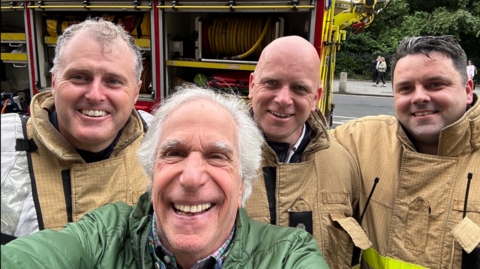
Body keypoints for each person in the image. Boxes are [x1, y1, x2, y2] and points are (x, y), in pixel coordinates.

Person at [1, 87, 329, 269]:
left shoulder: (287, 255)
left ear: (242, 182)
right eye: (174, 153)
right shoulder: (103, 236)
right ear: (151, 170)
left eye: (217, 156)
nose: (191, 177)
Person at [330, 35, 479, 269]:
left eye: (435, 84)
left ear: (468, 90)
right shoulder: (360, 140)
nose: (419, 97)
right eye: (405, 88)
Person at [0, 18, 152, 244]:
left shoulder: (158, 141)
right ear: (53, 82)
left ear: (136, 92)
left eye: (113, 81)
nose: (95, 95)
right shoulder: (5, 150)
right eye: (79, 77)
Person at [245, 35, 370, 268]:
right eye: (271, 83)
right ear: (252, 85)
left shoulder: (344, 165)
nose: (283, 99)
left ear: (316, 98)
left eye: (299, 88)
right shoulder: (215, 159)